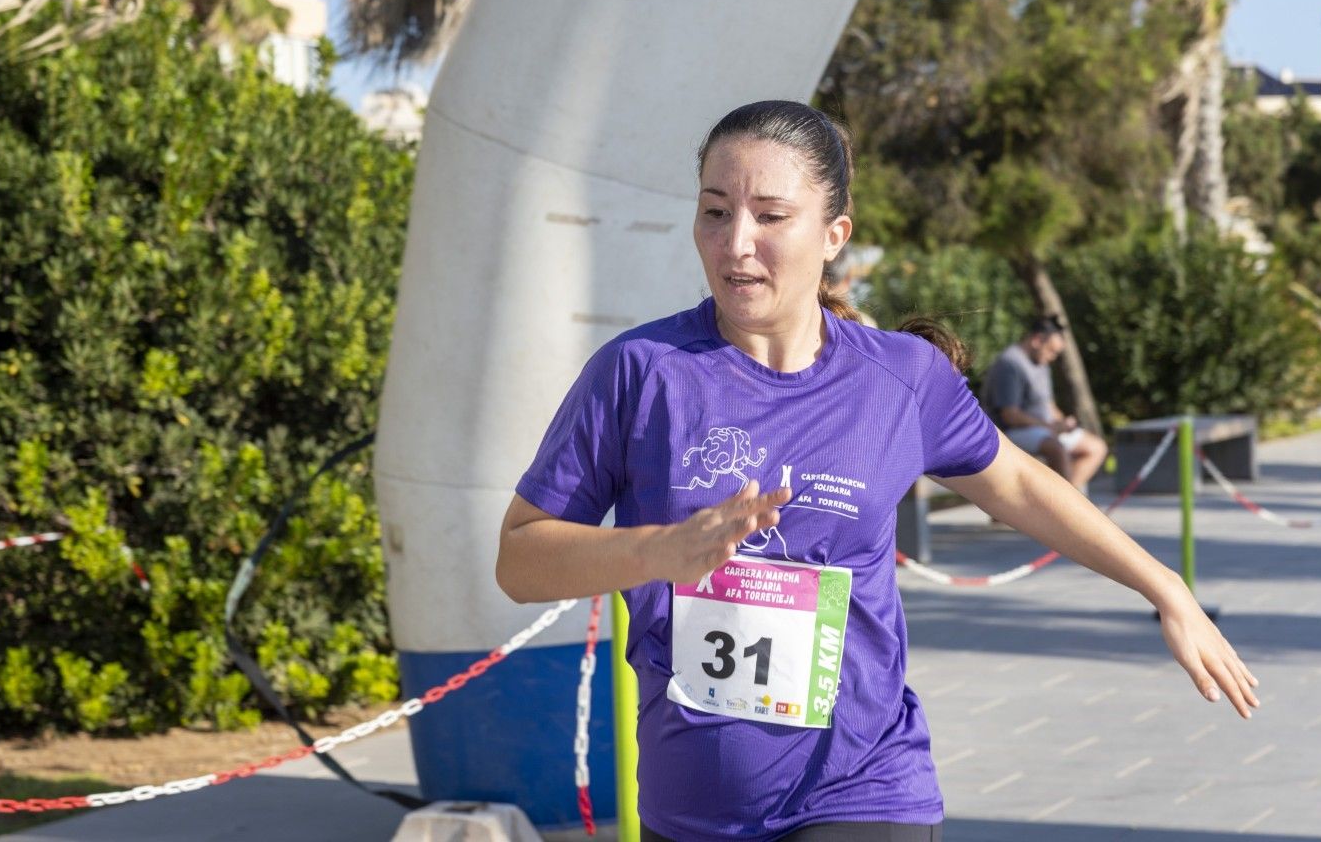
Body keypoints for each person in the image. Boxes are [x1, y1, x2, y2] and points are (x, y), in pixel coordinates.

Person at [495, 101, 1258, 841]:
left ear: (834, 234)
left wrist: (1164, 587)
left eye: (769, 215)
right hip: (689, 803)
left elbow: (1022, 485)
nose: (735, 244)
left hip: (861, 783)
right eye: (715, 211)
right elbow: (520, 560)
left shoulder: (900, 379)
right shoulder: (640, 373)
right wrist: (658, 552)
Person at [979, 317, 1109, 495]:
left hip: (1044, 429)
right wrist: (1050, 427)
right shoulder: (1010, 364)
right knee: (1057, 448)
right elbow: (1011, 415)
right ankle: (1066, 508)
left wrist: (1064, 422)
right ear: (1037, 340)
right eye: (1051, 351)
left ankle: (1065, 499)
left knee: (1096, 447)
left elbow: (1048, 404)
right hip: (1009, 432)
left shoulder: (1041, 363)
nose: (1052, 358)